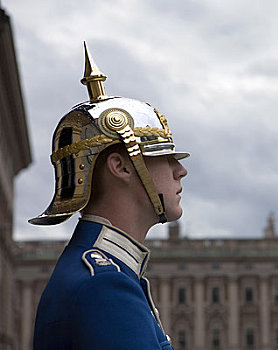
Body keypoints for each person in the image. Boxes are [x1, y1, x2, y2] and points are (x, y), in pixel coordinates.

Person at [29, 42, 188, 350]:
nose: (180, 170)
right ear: (122, 167)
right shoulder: (104, 285)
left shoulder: (107, 272)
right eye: (164, 157)